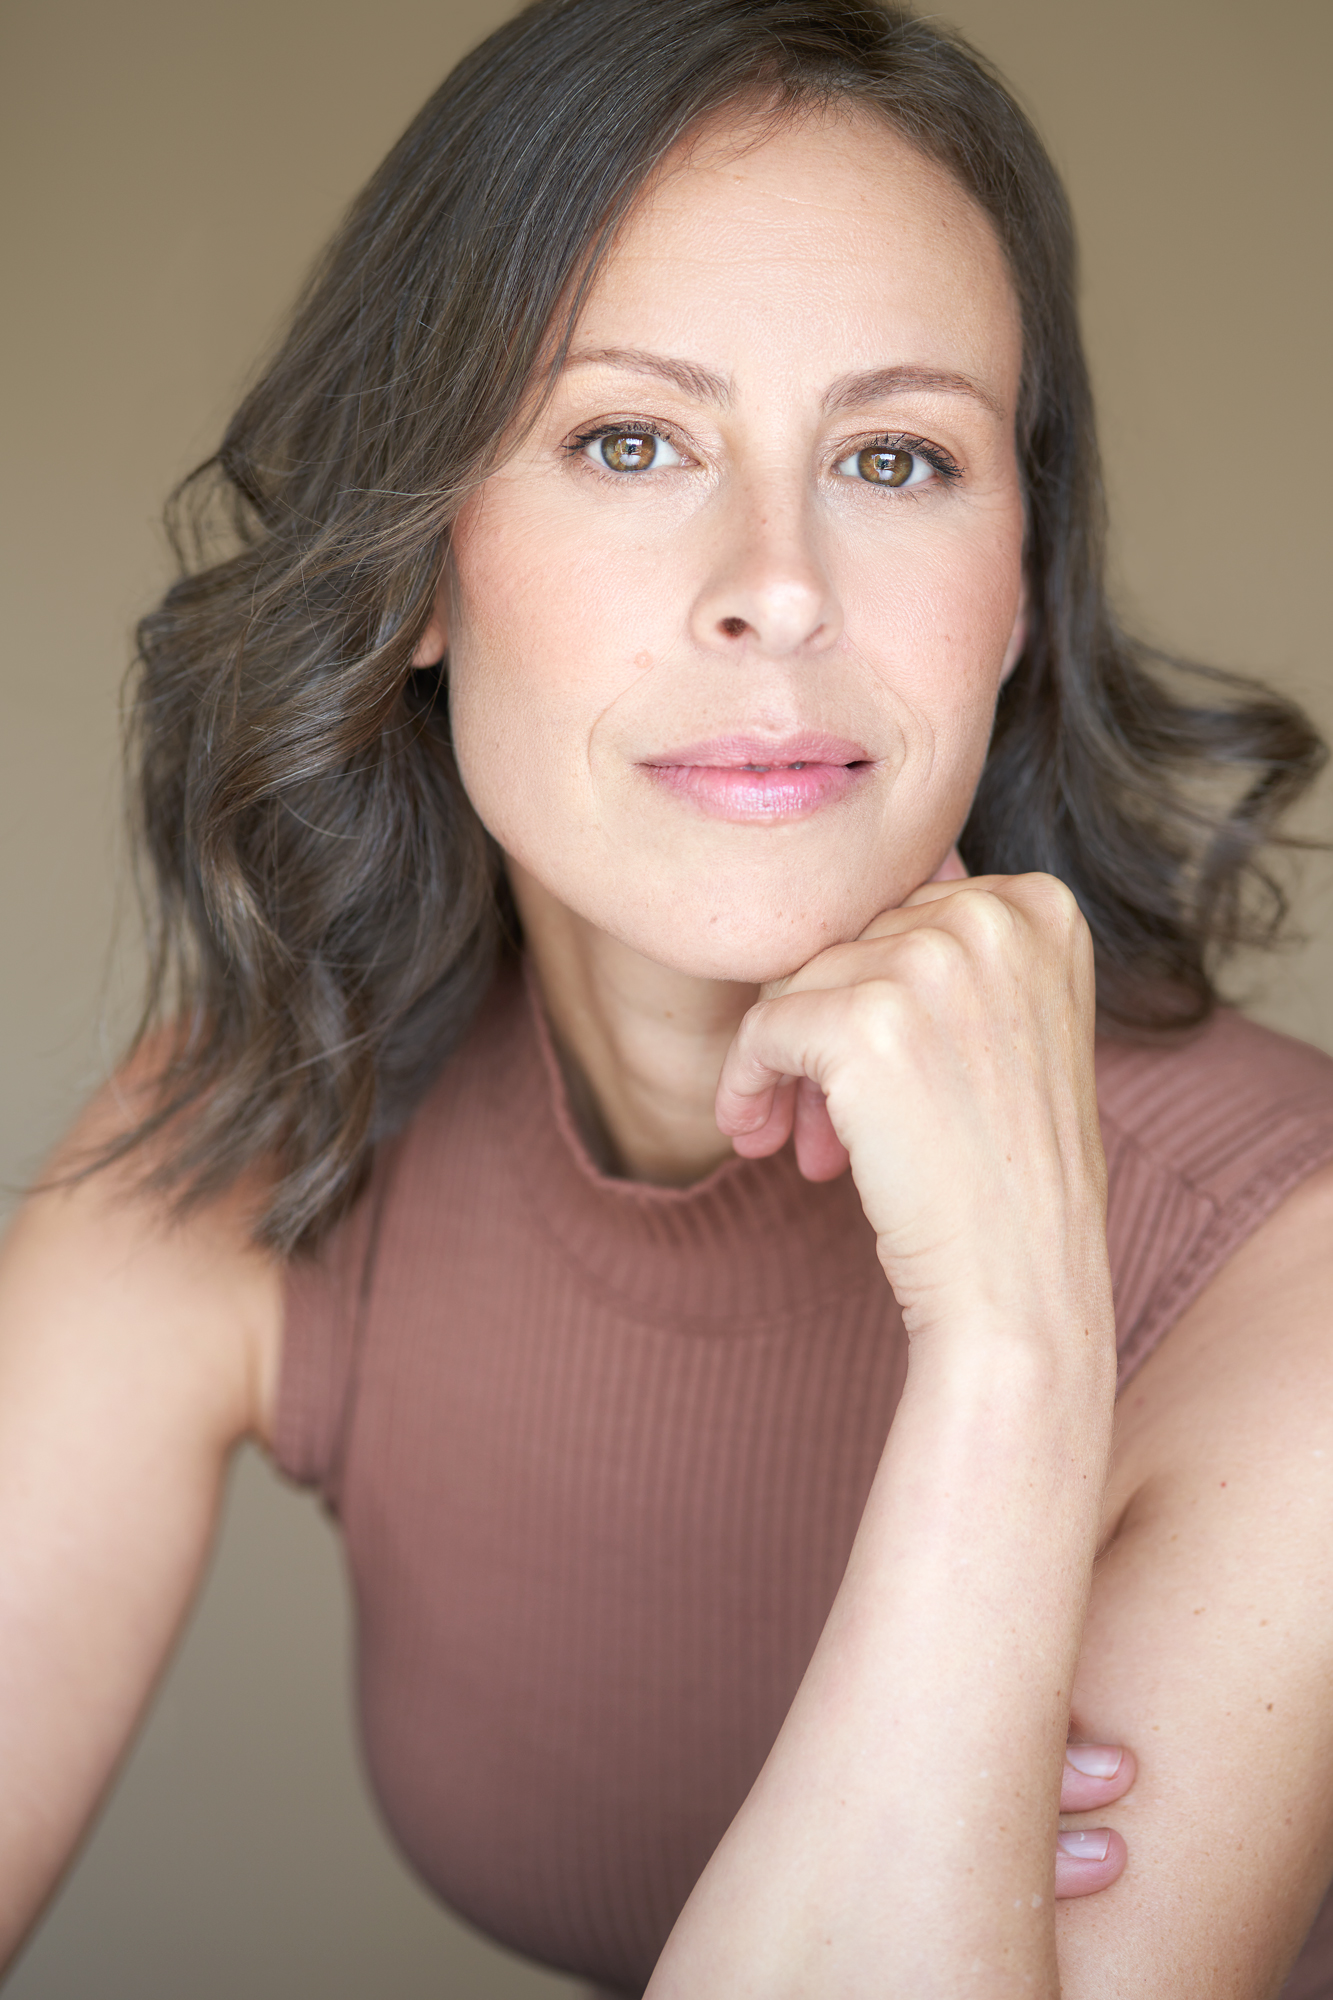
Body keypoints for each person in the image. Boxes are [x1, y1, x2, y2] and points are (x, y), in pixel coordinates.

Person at [2, 0, 1332, 1992]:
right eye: (629, 439)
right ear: (423, 561)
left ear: (1016, 580)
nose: (777, 582)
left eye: (896, 453)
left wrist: (1011, 1370)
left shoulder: (1288, 1276)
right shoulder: (263, 1122)